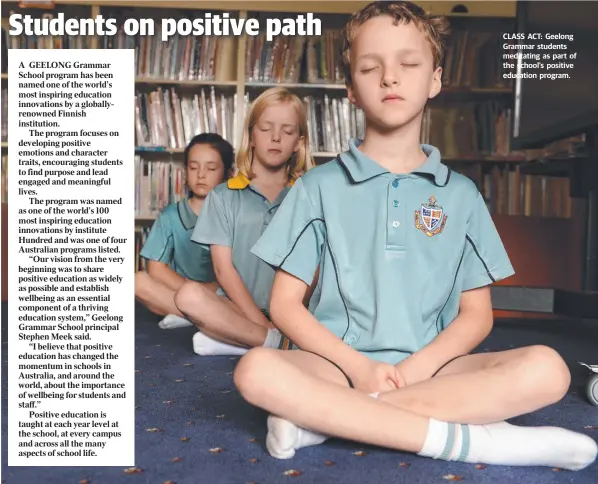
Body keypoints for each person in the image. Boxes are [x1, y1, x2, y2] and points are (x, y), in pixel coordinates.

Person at [233, 0, 597, 471]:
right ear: (350, 89)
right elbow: (284, 306)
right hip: (337, 366)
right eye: (371, 67)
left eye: (408, 63)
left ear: (435, 80)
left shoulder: (463, 196)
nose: (390, 77)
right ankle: (478, 441)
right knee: (256, 370)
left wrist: (413, 371)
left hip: (434, 371)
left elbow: (476, 316)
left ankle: (320, 424)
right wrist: (361, 369)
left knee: (548, 368)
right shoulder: (314, 188)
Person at [174, 87, 315, 356]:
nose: (276, 137)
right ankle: (270, 342)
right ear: (251, 136)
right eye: (265, 129)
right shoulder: (222, 196)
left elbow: (315, 270)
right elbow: (222, 269)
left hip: (296, 310)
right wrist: (264, 325)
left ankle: (241, 341)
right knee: (188, 295)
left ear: (299, 141)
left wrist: (286, 318)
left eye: (287, 131)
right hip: (239, 308)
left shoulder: (309, 193)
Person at [135, 133, 234, 329]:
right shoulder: (170, 216)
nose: (201, 175)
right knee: (139, 282)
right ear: (185, 171)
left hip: (223, 297)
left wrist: (209, 293)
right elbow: (156, 269)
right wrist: (194, 294)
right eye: (193, 167)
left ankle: (191, 317)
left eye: (211, 168)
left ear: (227, 173)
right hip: (180, 292)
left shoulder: (236, 215)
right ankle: (197, 316)